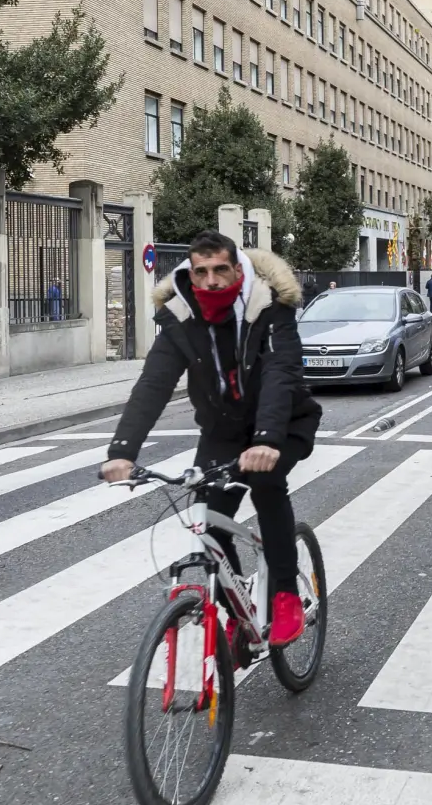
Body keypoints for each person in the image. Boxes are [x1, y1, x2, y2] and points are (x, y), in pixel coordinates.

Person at [100, 231, 321, 646]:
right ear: (190, 275)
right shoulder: (180, 316)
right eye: (201, 272)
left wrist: (268, 439)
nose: (212, 281)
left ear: (238, 269)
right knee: (208, 519)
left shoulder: (270, 306)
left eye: (221, 270)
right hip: (223, 432)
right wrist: (122, 452)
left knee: (267, 485)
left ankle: (286, 594)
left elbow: (280, 374)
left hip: (282, 423)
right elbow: (154, 383)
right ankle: (238, 610)